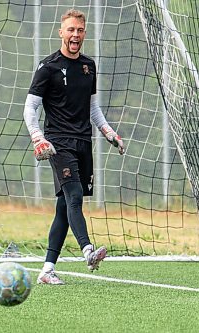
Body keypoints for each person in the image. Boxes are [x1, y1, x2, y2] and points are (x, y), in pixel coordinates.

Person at [24, 9, 125, 285]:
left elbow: (93, 108)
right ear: (61, 32)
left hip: (83, 143)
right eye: (70, 30)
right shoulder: (48, 67)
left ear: (84, 33)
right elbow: (30, 107)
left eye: (80, 30)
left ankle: (46, 270)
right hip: (57, 143)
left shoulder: (88, 66)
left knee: (63, 207)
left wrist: (109, 133)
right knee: (75, 195)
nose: (75, 35)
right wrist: (37, 137)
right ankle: (88, 251)